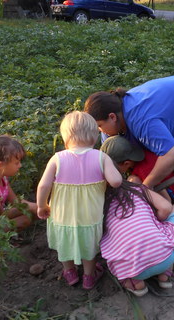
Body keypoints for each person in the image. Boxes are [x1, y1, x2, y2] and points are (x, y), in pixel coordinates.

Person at [84, 74, 174, 230]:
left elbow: (172, 155)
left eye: (99, 126)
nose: (100, 131)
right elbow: (109, 161)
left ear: (112, 117)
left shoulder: (142, 120)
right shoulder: (110, 124)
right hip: (173, 102)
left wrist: (146, 186)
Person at [36, 111, 122, 290]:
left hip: (61, 216)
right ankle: (89, 277)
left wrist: (41, 206)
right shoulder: (101, 157)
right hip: (90, 217)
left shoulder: (57, 158)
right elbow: (116, 181)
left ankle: (70, 273)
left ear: (65, 137)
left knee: (64, 243)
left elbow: (43, 186)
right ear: (95, 135)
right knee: (89, 247)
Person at [101, 180, 174, 296]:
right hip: (164, 258)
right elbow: (166, 209)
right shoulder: (137, 189)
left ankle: (135, 282)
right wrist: (155, 221)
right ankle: (166, 271)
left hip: (130, 269)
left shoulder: (97, 203)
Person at [100, 135, 174, 202]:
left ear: (127, 163)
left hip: (167, 188)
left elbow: (167, 199)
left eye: (115, 169)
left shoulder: (143, 170)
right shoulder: (139, 154)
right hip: (154, 183)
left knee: (133, 181)